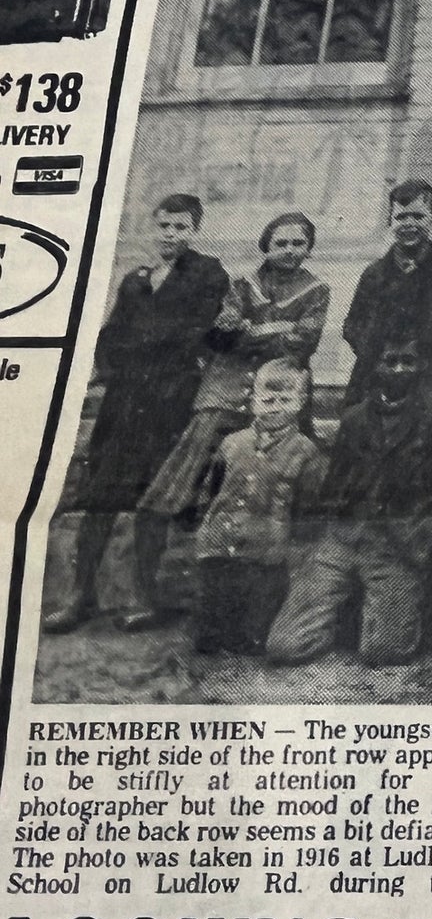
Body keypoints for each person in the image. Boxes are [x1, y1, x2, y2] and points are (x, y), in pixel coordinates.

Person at [127, 211, 330, 629]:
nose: (289, 251)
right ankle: (150, 598)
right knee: (168, 494)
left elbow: (303, 339)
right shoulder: (241, 283)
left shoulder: (317, 289)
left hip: (279, 405)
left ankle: (272, 610)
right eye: (281, 242)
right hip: (223, 398)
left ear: (309, 247)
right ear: (266, 245)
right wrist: (270, 328)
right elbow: (223, 331)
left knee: (287, 498)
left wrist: (254, 329)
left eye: (298, 243)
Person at [45, 193, 228, 634]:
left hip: (167, 403)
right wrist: (117, 365)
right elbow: (109, 338)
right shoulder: (135, 280)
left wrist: (142, 348)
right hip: (123, 404)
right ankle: (80, 596)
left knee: (154, 500)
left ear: (195, 229)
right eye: (164, 226)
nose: (171, 235)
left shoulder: (207, 273)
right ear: (154, 228)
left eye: (181, 227)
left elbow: (194, 332)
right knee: (100, 499)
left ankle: (143, 597)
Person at [267, 330, 432, 668]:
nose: (398, 370)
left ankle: (406, 607)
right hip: (345, 539)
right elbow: (335, 486)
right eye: (390, 361)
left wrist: (428, 529)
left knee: (383, 652)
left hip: (400, 545)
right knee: (285, 646)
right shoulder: (354, 418)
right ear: (375, 366)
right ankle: (348, 612)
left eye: (408, 361)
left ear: (422, 365)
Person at [192, 360, 325, 656]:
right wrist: (207, 523)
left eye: (285, 400)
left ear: (301, 403)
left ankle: (249, 634)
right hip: (221, 540)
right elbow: (212, 488)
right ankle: (214, 635)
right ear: (252, 401)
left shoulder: (306, 451)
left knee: (256, 628)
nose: (275, 407)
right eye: (267, 400)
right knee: (213, 606)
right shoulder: (232, 443)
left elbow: (309, 506)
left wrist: (296, 545)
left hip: (267, 548)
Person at [341, 179, 432, 406]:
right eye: (401, 217)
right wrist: (377, 354)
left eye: (418, 217)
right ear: (390, 221)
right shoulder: (374, 273)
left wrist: (427, 353)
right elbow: (353, 325)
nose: (409, 224)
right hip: (377, 374)